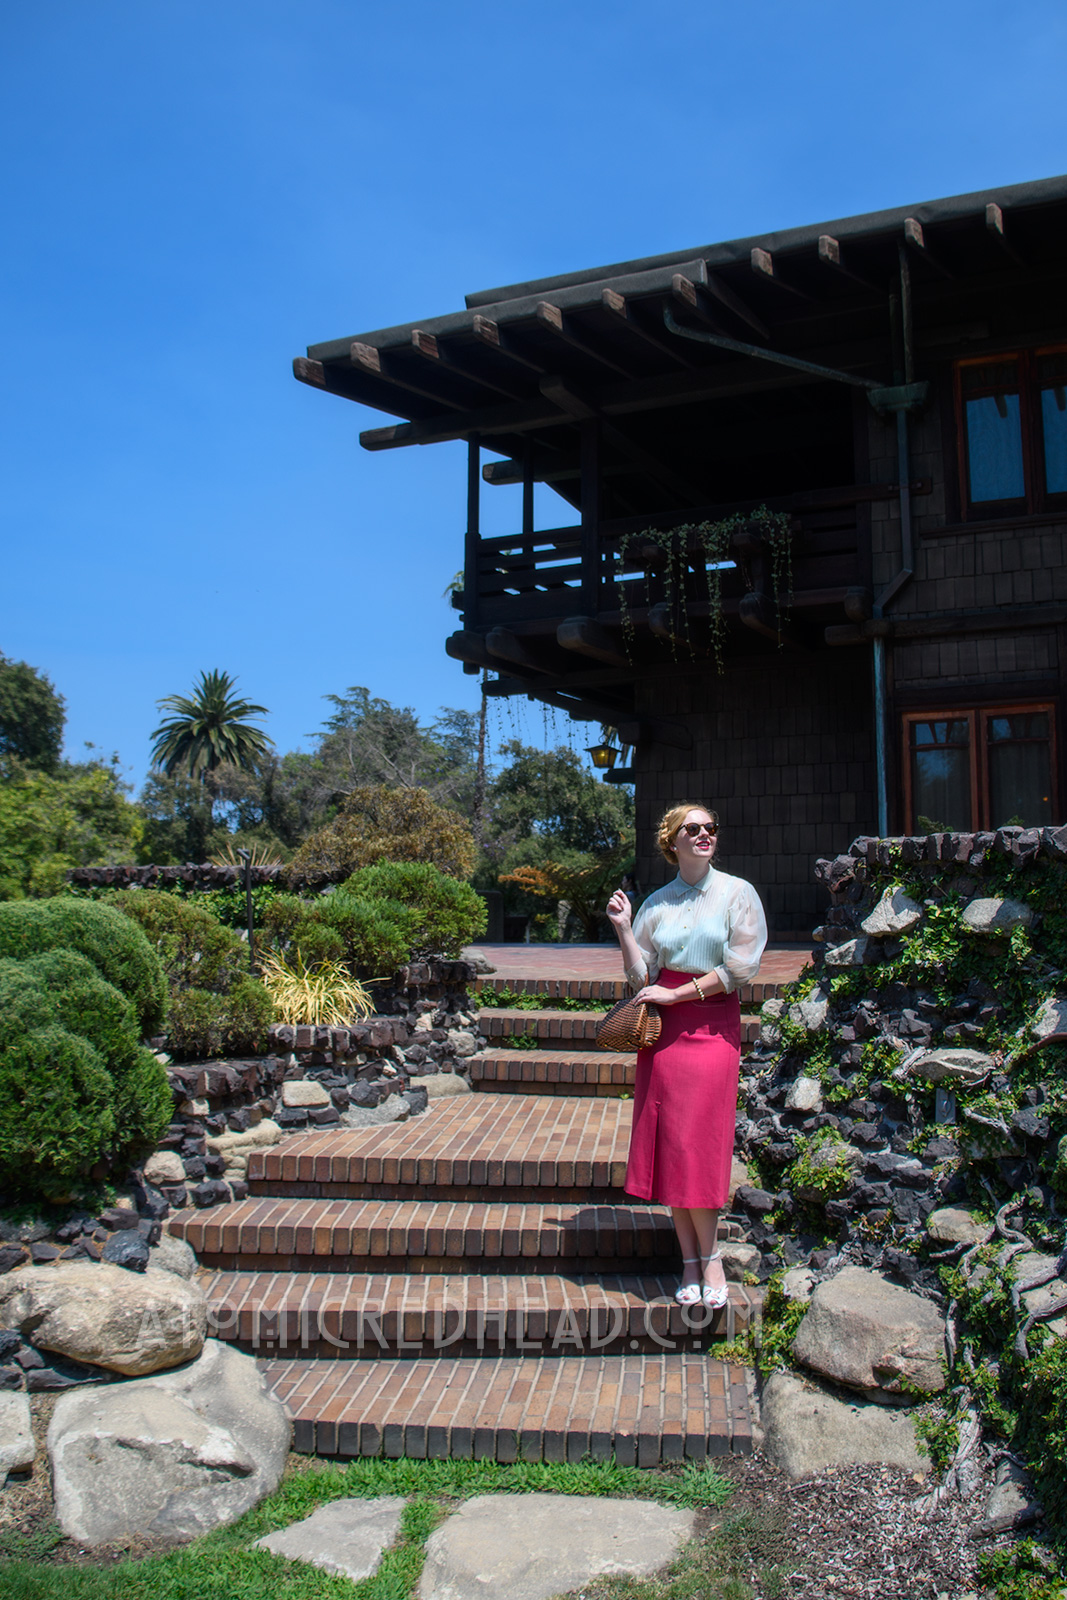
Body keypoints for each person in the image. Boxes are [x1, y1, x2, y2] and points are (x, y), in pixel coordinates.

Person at [606, 803, 767, 1309]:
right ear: (671, 841)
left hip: (711, 1021)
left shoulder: (738, 893)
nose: (703, 835)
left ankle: (712, 1255)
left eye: (710, 828)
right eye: (691, 829)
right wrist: (625, 928)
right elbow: (640, 979)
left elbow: (742, 968)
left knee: (702, 1140)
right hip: (665, 1033)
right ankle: (690, 1262)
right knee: (674, 1141)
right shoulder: (657, 903)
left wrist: (677, 996)